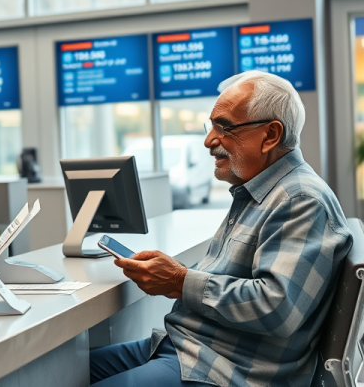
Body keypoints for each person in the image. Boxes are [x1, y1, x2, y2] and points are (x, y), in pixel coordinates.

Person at [90, 71, 353, 387]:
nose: (208, 140)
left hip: (227, 370)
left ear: (270, 135)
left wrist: (179, 281)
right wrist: (177, 275)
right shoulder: (257, 190)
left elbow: (276, 307)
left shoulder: (299, 200)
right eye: (211, 125)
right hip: (190, 346)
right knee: (68, 371)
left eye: (224, 127)